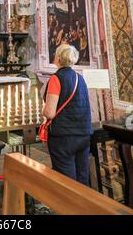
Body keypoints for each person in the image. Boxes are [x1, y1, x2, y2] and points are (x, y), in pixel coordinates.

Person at [42, 44, 92, 185]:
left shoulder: (56, 79)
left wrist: (43, 110)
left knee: (67, 182)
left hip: (64, 138)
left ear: (58, 58)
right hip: (83, 134)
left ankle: (68, 207)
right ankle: (85, 206)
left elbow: (50, 113)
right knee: (83, 179)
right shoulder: (80, 78)